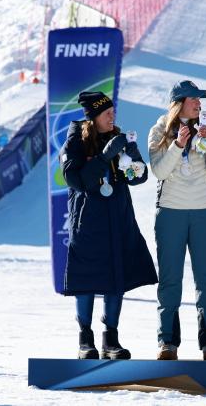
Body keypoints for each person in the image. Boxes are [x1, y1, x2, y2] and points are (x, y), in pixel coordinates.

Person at [60, 91, 158, 359]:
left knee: (117, 278)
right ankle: (85, 340)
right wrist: (104, 158)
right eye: (106, 112)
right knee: (88, 280)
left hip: (119, 220)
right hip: (88, 224)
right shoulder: (74, 144)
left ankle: (110, 339)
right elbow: (76, 181)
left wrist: (136, 161)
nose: (112, 115)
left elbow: (136, 179)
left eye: (113, 110)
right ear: (92, 117)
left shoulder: (117, 137)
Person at [148, 80, 206, 361]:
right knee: (170, 280)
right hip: (171, 212)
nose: (199, 103)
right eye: (195, 99)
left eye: (200, 100)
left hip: (205, 211)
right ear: (180, 102)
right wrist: (178, 145)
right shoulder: (159, 130)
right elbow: (158, 172)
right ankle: (167, 343)